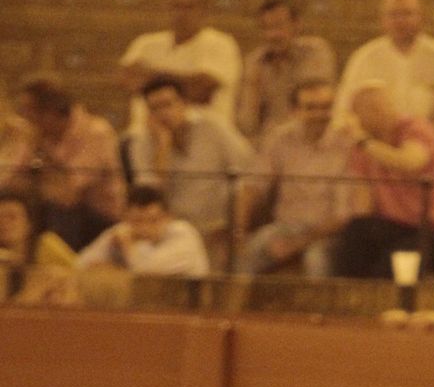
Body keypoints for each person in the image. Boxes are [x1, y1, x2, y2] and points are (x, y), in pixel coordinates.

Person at [332, 81, 434, 279]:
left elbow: (410, 162)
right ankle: (347, 299)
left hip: (430, 228)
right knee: (356, 231)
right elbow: (364, 202)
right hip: (392, 225)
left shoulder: (415, 128)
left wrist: (364, 141)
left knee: (391, 265)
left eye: (383, 106)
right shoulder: (363, 145)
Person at [233, 78, 353, 277]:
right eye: (311, 107)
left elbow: (342, 217)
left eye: (326, 107)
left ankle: (318, 309)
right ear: (295, 111)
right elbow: (252, 186)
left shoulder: (346, 145)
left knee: (316, 261)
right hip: (284, 227)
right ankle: (232, 308)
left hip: (327, 235)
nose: (320, 114)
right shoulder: (280, 138)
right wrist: (238, 231)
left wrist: (296, 244)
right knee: (247, 253)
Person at [127, 75, 254, 261]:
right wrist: (162, 149)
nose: (163, 113)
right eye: (155, 108)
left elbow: (248, 172)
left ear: (184, 103)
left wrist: (238, 227)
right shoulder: (141, 143)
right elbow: (150, 198)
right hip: (170, 232)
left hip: (218, 227)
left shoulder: (213, 127)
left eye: (168, 104)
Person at [12, 75, 126, 250]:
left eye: (29, 111)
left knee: (59, 211)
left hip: (101, 217)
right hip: (57, 206)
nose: (25, 117)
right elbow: (13, 179)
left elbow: (68, 195)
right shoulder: (37, 133)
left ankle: (62, 269)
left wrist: (41, 176)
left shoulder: (97, 133)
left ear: (50, 112)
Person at [119, 0, 242, 132]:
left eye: (189, 7)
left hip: (203, 139)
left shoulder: (221, 44)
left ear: (204, 10)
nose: (181, 14)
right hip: (145, 137)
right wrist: (184, 82)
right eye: (176, 6)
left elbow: (200, 91)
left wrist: (150, 78)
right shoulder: (145, 44)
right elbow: (127, 80)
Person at [334, 0, 434, 122]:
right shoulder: (363, 57)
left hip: (430, 138)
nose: (400, 21)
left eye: (407, 13)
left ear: (422, 17)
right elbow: (343, 108)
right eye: (393, 14)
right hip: (374, 139)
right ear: (382, 20)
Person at [236, 0, 336, 141]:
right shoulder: (255, 62)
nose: (272, 35)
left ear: (297, 25)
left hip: (309, 139)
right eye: (266, 28)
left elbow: (312, 107)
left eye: (279, 26)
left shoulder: (316, 51)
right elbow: (246, 125)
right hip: (265, 145)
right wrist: (253, 90)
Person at [78, 184, 209, 277]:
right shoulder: (122, 230)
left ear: (168, 218)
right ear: (126, 218)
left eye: (153, 220)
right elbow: (81, 265)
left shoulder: (183, 233)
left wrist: (127, 245)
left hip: (187, 313)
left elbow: (145, 273)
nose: (145, 228)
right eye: (138, 221)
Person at [0, 190, 77, 272]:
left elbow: (78, 274)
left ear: (29, 224)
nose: (4, 223)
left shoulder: (46, 245)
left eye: (12, 217)